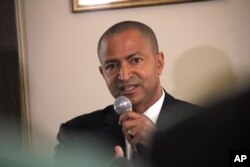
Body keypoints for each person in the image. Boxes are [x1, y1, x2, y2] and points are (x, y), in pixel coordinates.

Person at [54, 21, 202, 167]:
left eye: (135, 60)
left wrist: (162, 147)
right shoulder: (76, 134)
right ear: (102, 73)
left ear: (159, 63)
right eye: (112, 66)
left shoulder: (204, 124)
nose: (124, 76)